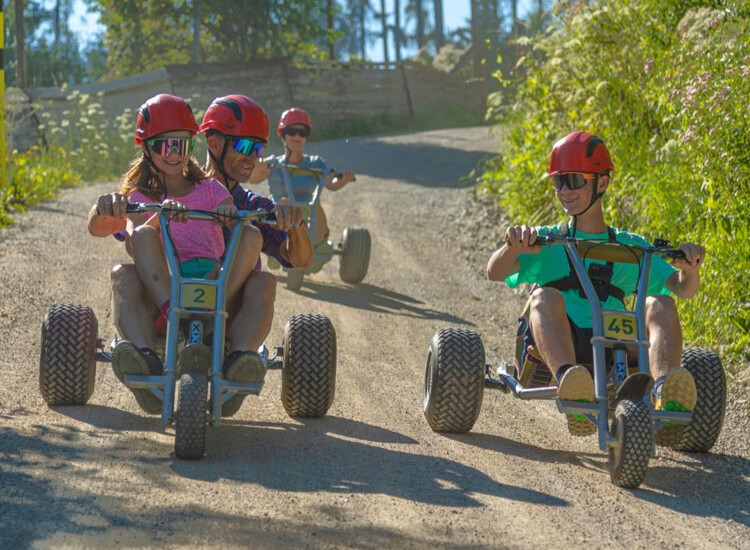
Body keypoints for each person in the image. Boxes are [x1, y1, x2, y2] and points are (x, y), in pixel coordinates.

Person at [89, 94, 312, 416]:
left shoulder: (243, 203)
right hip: (166, 300)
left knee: (263, 279)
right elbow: (111, 226)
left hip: (222, 305)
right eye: (246, 147)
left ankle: (238, 363)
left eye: (259, 149)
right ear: (215, 143)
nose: (254, 158)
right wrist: (109, 207)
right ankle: (144, 363)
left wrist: (295, 224)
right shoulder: (151, 195)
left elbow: (300, 260)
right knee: (123, 273)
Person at [487, 131, 705, 442]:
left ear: (601, 183)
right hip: (565, 341)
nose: (565, 191)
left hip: (619, 341)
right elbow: (495, 272)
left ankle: (665, 393)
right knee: (544, 296)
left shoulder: (631, 248)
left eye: (574, 180)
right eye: (558, 182)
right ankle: (572, 387)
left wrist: (690, 269)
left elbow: (682, 289)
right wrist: (513, 246)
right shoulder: (547, 239)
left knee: (661, 303)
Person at [250, 107, 356, 264]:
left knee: (315, 205)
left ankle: (314, 245)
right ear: (283, 134)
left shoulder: (316, 163)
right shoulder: (273, 163)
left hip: (311, 215)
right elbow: (254, 179)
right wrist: (258, 168)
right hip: (280, 214)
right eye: (292, 132)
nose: (297, 137)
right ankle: (282, 244)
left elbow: (331, 184)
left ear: (307, 136)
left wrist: (344, 179)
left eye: (302, 132)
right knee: (285, 202)